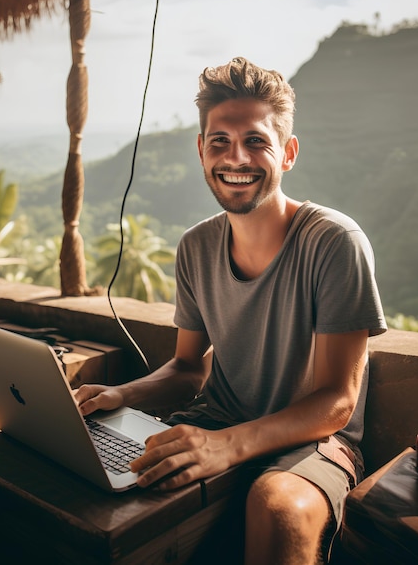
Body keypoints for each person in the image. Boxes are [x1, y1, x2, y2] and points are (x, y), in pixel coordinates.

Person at [75, 57, 386, 564]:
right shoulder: (195, 246)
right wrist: (119, 394)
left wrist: (229, 447)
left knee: (277, 506)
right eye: (219, 141)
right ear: (201, 150)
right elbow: (186, 368)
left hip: (313, 441)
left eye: (256, 141)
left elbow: (337, 402)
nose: (235, 157)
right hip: (214, 421)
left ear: (287, 153)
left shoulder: (334, 242)